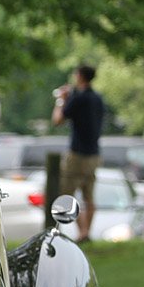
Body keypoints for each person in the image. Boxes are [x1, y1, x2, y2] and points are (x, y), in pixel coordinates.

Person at [51, 63, 104, 243]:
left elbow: (57, 120)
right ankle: (87, 232)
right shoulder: (98, 99)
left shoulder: (77, 99)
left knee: (67, 194)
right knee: (89, 195)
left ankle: (82, 233)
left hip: (77, 154)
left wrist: (61, 99)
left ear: (80, 76)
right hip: (94, 154)